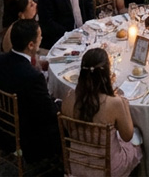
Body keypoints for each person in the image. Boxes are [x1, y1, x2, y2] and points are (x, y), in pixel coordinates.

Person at [60, 48, 143, 177]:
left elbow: (68, 128)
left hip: (76, 164)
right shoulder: (114, 103)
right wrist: (123, 104)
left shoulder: (68, 97)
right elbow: (128, 136)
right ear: (106, 74)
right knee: (138, 143)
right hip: (107, 168)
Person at [0, 19, 60, 165]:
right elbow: (49, 112)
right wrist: (61, 102)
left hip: (2, 128)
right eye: (39, 37)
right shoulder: (33, 77)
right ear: (31, 45)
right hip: (28, 137)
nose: (42, 38)